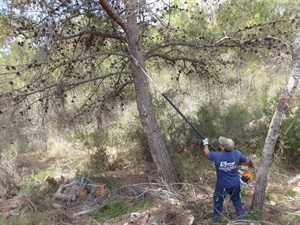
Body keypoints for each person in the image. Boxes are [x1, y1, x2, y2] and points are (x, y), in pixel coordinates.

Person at [202, 136, 253, 223]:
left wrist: (205, 144)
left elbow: (206, 153)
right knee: (237, 201)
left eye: (221, 144)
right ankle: (242, 219)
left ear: (223, 147)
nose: (220, 145)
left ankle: (216, 220)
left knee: (218, 202)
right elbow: (247, 161)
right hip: (235, 185)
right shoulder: (237, 153)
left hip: (222, 186)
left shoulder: (216, 156)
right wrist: (236, 163)